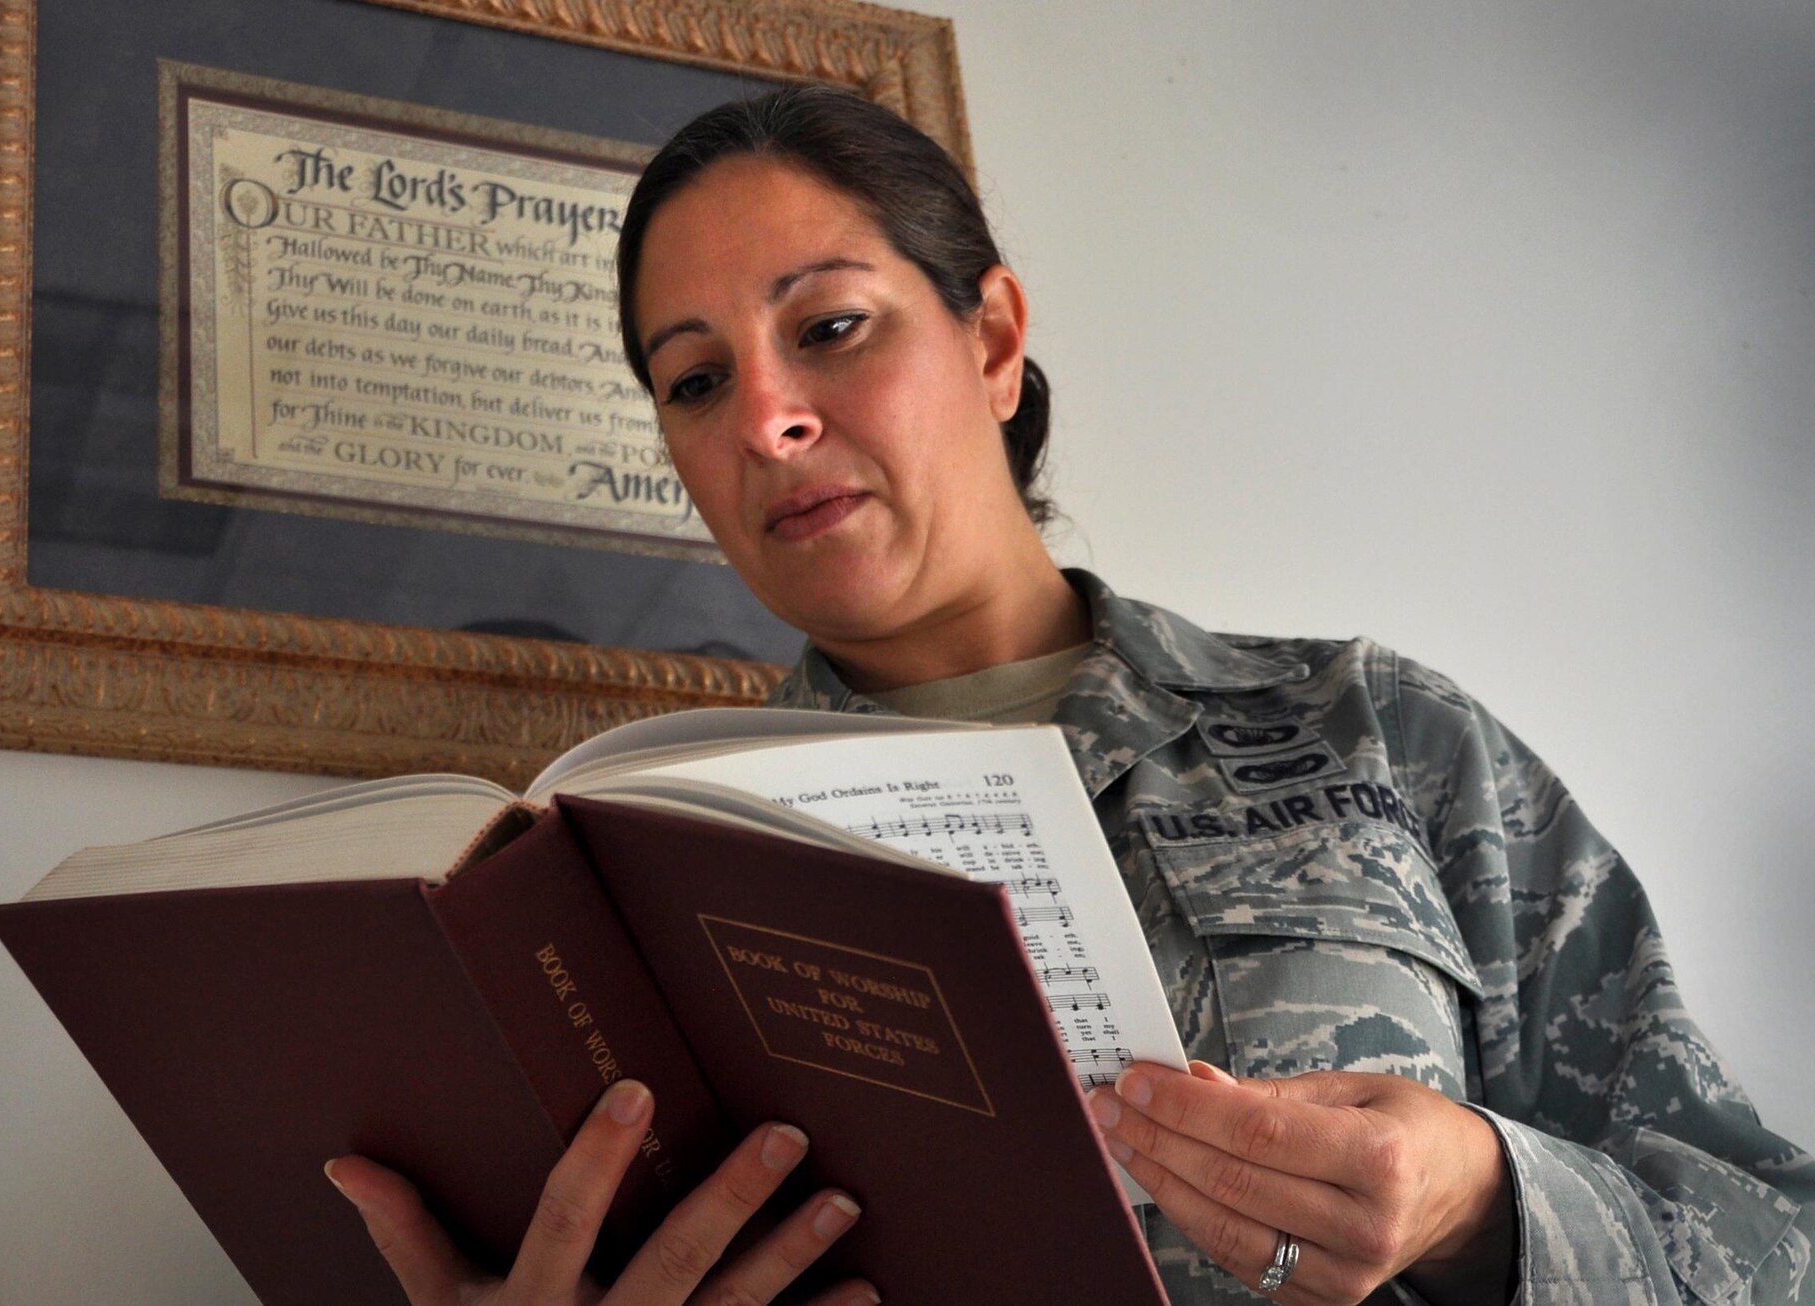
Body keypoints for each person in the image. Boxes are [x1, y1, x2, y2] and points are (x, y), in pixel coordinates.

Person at [325, 86, 1814, 1305]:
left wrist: (1485, 1199)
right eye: (695, 380)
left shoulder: (1381, 736)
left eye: (830, 327)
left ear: (989, 339)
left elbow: (1778, 1241)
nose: (771, 421)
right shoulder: (617, 879)